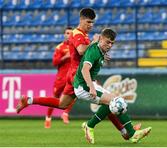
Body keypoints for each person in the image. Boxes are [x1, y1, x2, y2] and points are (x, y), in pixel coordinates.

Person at [16, 8, 140, 140]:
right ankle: (125, 131)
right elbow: (81, 51)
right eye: (88, 22)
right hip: (78, 74)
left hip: (72, 74)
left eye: (92, 23)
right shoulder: (77, 34)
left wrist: (100, 51)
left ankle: (29, 100)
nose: (91, 25)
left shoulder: (83, 35)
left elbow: (89, 52)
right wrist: (96, 43)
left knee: (62, 104)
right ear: (81, 20)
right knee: (109, 101)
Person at [73, 28, 152, 144]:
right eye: (107, 42)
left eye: (112, 43)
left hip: (88, 83)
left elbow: (94, 48)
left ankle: (126, 132)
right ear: (101, 39)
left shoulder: (99, 51)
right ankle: (130, 133)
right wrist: (91, 87)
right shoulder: (94, 51)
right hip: (83, 87)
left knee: (114, 101)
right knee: (116, 102)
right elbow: (85, 70)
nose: (109, 45)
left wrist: (101, 55)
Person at [45, 27, 74, 128]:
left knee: (74, 95)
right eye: (67, 33)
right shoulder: (60, 47)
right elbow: (54, 62)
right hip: (61, 78)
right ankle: (48, 118)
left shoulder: (75, 47)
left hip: (71, 77)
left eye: (70, 33)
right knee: (55, 98)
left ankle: (65, 113)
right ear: (64, 35)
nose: (68, 35)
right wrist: (65, 57)